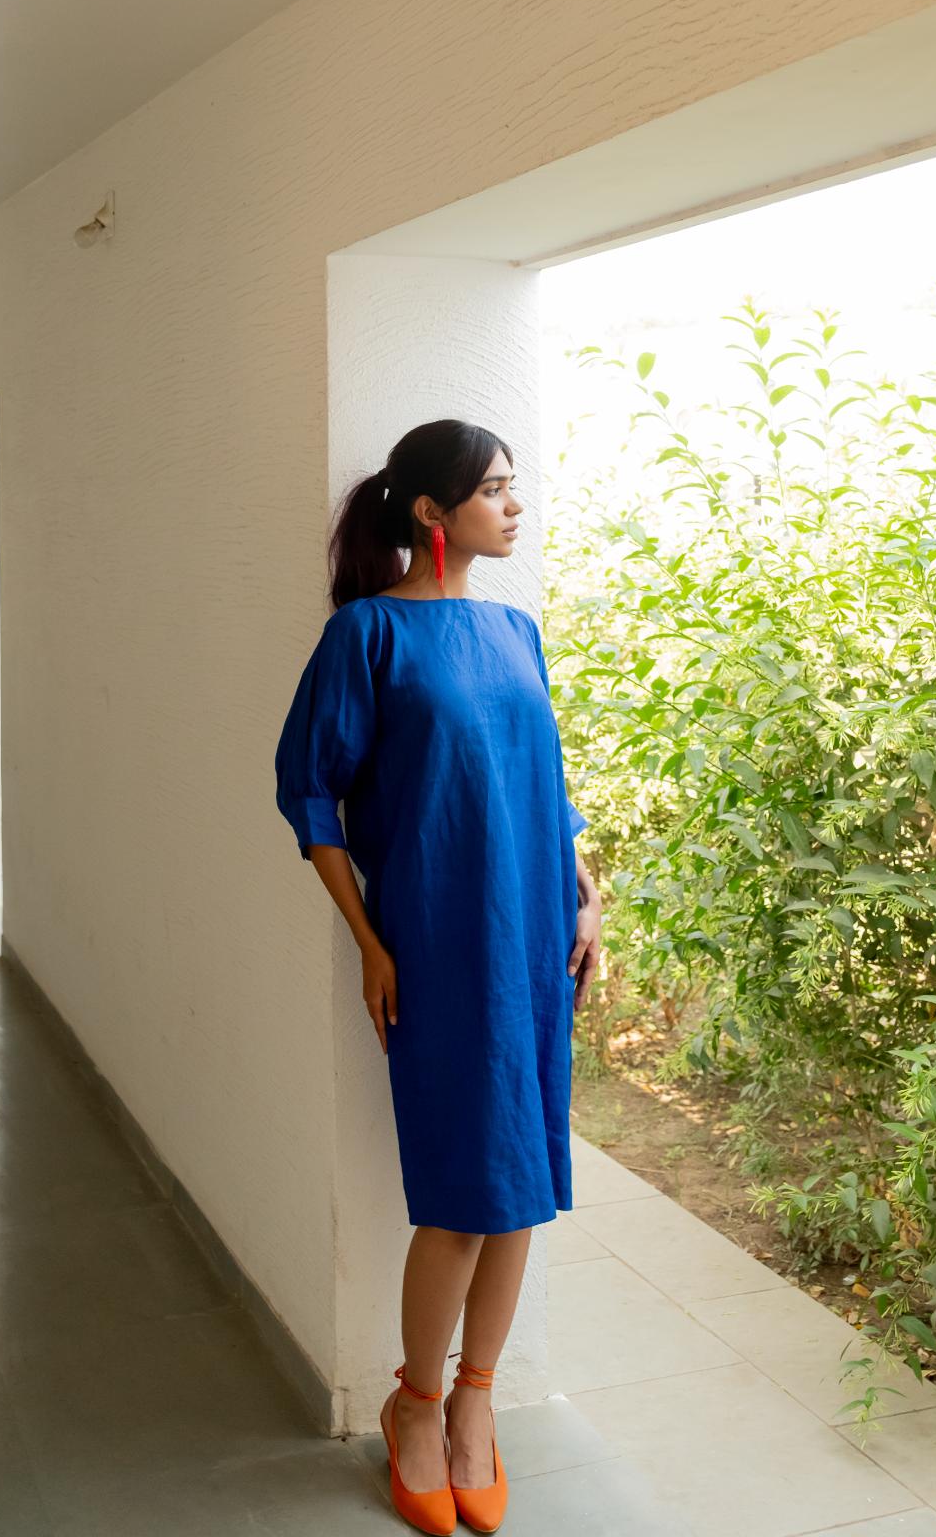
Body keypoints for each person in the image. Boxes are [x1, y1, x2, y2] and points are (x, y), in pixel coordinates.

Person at [274, 418, 601, 1535]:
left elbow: (546, 780)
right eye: (496, 490)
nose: (516, 506)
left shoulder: (518, 630)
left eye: (516, 487)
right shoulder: (365, 637)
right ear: (431, 513)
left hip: (536, 937)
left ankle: (476, 1404)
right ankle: (413, 1405)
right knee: (464, 1190)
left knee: (519, 1187)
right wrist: (371, 942)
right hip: (439, 945)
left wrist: (586, 887)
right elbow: (310, 798)